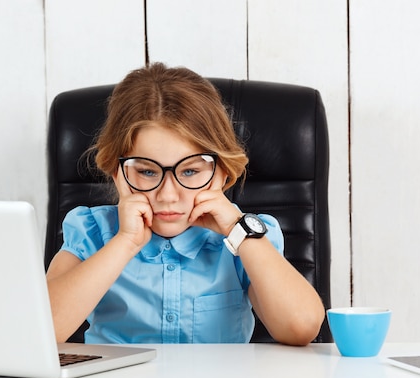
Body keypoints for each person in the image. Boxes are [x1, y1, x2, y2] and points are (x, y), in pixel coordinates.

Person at [46, 62, 325, 345]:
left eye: (190, 171)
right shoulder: (93, 231)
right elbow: (41, 330)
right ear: (117, 172)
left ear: (222, 171)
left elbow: (301, 327)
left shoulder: (245, 238)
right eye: (147, 172)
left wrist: (239, 232)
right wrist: (125, 242)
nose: (168, 195)